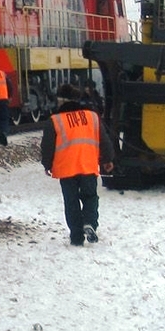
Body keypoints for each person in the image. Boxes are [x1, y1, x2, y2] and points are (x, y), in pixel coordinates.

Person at [40, 84, 115, 246]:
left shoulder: (54, 121)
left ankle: (76, 236)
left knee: (71, 201)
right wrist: (107, 159)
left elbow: (47, 146)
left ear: (62, 101)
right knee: (90, 197)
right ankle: (89, 222)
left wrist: (47, 164)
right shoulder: (92, 117)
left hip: (66, 169)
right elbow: (104, 140)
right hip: (88, 166)